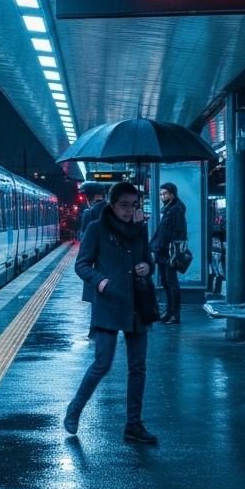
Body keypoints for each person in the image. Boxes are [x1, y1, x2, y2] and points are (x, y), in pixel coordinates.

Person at [64, 181, 160, 444]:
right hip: (108, 303)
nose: (129, 211)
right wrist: (100, 281)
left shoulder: (139, 231)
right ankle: (75, 409)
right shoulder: (97, 229)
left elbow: (147, 261)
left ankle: (134, 425)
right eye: (124, 205)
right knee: (102, 362)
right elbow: (81, 265)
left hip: (136, 306)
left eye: (134, 205)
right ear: (112, 204)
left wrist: (146, 267)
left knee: (138, 367)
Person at [149, 182, 187, 325]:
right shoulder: (168, 208)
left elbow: (178, 232)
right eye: (161, 193)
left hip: (170, 252)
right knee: (166, 282)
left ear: (172, 194)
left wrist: (173, 251)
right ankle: (169, 311)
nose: (162, 196)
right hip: (163, 251)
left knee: (171, 282)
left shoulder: (176, 209)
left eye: (165, 193)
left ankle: (175, 314)